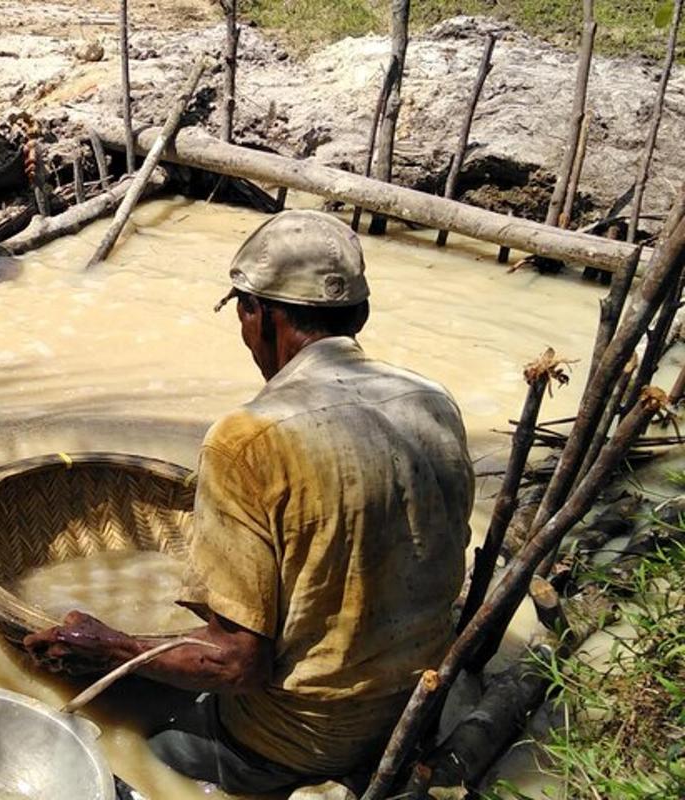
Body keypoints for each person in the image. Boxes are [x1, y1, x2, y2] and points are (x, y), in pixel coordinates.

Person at [24, 211, 475, 794]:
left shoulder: (250, 438)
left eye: (243, 310)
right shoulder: (434, 401)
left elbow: (235, 663)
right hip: (417, 708)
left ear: (254, 314)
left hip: (304, 738)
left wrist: (112, 646)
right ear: (359, 315)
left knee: (143, 740)